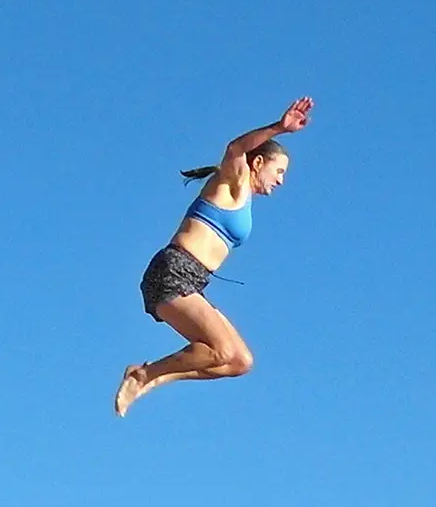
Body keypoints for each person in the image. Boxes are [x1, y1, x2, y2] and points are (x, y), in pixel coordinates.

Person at [116, 97, 312, 416]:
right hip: (173, 272)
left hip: (193, 281)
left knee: (239, 361)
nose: (281, 180)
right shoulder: (231, 182)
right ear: (258, 162)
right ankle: (144, 374)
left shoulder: (244, 198)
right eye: (279, 171)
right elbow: (235, 148)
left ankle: (149, 377)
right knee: (220, 350)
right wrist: (279, 128)